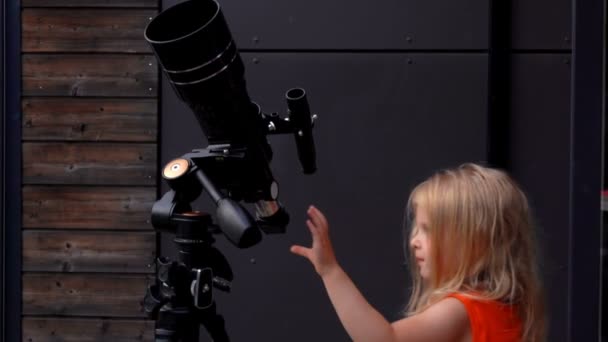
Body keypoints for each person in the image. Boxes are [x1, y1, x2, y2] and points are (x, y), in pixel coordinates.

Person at [290, 163, 545, 342]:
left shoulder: (461, 310)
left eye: (427, 230)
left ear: (474, 242)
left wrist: (330, 271)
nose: (414, 241)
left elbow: (383, 340)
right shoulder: (508, 309)